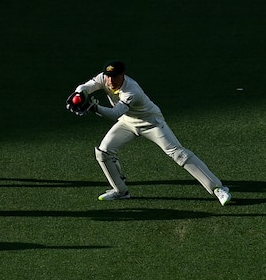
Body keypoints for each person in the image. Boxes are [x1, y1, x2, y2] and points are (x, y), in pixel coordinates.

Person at [69, 60, 231, 206]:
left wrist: (93, 107)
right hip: (128, 122)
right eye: (108, 76)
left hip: (151, 123)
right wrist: (79, 95)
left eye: (115, 76)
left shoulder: (131, 90)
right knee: (103, 152)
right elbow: (84, 87)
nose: (110, 81)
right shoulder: (103, 79)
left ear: (122, 75)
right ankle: (121, 191)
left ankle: (218, 188)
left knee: (178, 154)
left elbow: (115, 113)